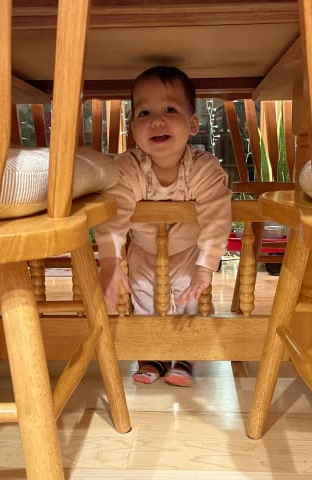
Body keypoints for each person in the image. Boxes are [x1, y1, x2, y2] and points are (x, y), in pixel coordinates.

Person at [94, 66, 232, 387]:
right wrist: (111, 261)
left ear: (193, 124)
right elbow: (113, 214)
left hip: (188, 250)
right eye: (144, 113)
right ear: (133, 128)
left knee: (190, 297)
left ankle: (185, 355)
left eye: (170, 110)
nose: (157, 121)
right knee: (142, 295)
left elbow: (217, 217)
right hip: (143, 250)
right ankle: (150, 356)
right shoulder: (127, 168)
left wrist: (205, 267)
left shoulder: (204, 169)